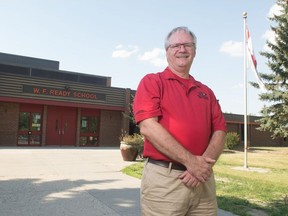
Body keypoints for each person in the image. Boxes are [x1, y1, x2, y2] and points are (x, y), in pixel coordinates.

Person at [133, 26, 227, 216]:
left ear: (194, 51)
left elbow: (220, 130)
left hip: (203, 181)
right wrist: (192, 162)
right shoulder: (152, 82)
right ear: (167, 51)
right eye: (176, 45)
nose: (182, 49)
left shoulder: (206, 92)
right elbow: (148, 127)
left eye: (187, 45)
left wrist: (202, 167)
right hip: (165, 182)